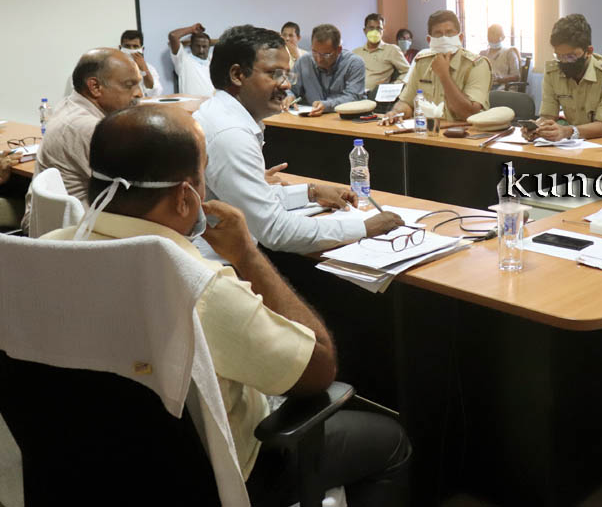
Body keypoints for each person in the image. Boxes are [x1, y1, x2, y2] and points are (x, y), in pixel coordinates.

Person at [43, 105, 411, 505]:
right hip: (220, 474)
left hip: (89, 466)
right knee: (390, 441)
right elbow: (318, 371)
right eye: (204, 176)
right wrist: (248, 255)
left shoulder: (47, 254)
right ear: (185, 197)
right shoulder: (199, 286)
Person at [195, 25, 401, 256]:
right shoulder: (230, 134)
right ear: (237, 75)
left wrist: (311, 193)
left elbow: (249, 199)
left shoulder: (221, 114)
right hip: (218, 261)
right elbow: (276, 230)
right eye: (275, 74)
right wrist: (364, 228)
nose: (286, 84)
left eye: (287, 75)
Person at [22, 48, 143, 231]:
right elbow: (135, 190)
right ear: (95, 87)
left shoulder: (70, 104)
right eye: (129, 85)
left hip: (55, 224)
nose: (139, 93)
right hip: (68, 234)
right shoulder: (87, 127)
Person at [529, 14, 602, 142]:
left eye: (571, 56)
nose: (564, 62)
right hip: (575, 143)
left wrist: (567, 131)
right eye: (559, 56)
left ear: (589, 51)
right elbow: (548, 116)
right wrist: (537, 128)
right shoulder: (553, 72)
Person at [380, 10, 490, 123]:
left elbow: (469, 114)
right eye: (438, 34)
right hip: (427, 130)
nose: (444, 38)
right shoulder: (422, 62)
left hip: (465, 132)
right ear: (429, 40)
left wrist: (444, 76)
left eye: (449, 33)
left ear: (460, 38)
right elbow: (407, 102)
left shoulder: (477, 65)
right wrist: (396, 112)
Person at [289, 23, 366, 116]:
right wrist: (289, 96)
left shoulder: (354, 63)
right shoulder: (303, 61)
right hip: (310, 118)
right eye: (314, 52)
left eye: (326, 55)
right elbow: (289, 88)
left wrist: (327, 105)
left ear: (339, 50)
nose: (319, 59)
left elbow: (354, 97)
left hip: (343, 118)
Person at [352, 13, 410, 93]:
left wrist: (393, 86)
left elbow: (408, 72)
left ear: (382, 31)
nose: (375, 31)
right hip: (356, 93)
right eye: (371, 28)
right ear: (364, 31)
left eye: (379, 28)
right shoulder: (356, 52)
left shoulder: (391, 50)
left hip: (376, 95)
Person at [168, 23, 214, 96]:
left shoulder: (212, 62)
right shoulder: (183, 60)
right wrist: (191, 29)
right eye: (197, 46)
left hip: (212, 102)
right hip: (191, 103)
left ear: (209, 47)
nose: (201, 50)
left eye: (204, 46)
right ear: (191, 46)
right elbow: (173, 36)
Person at [119, 29, 163, 97]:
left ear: (142, 49)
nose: (131, 50)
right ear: (120, 48)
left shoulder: (149, 68)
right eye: (127, 46)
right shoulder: (112, 67)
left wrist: (144, 69)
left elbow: (155, 92)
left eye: (135, 46)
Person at [480, 24, 521, 89]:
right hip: (486, 86)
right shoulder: (483, 54)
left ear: (502, 37)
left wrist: (500, 79)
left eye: (495, 35)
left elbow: (516, 76)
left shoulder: (509, 52)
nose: (492, 38)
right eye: (489, 35)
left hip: (502, 87)